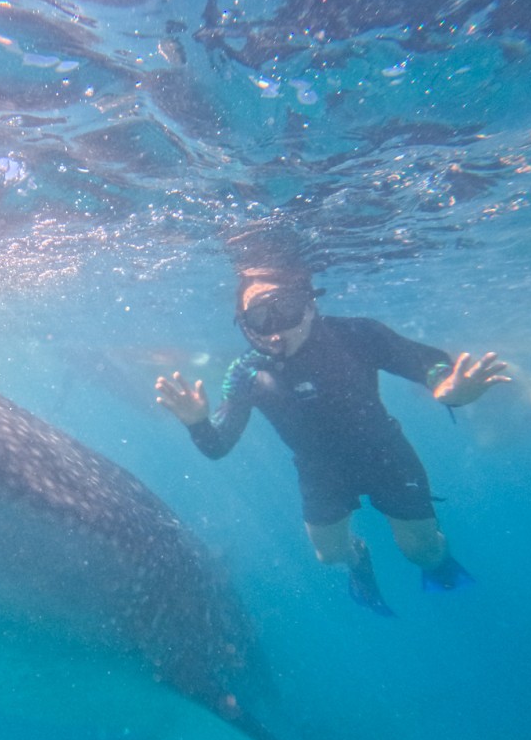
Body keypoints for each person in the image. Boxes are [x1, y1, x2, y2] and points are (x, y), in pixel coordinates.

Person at [155, 253, 511, 615]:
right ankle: (360, 558)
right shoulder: (246, 372)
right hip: (319, 472)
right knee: (329, 556)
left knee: (422, 552)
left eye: (288, 309)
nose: (276, 329)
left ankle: (442, 565)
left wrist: (448, 387)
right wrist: (197, 423)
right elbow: (218, 446)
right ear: (244, 325)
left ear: (310, 306)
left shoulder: (357, 335)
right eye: (260, 318)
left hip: (386, 456)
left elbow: (424, 362)